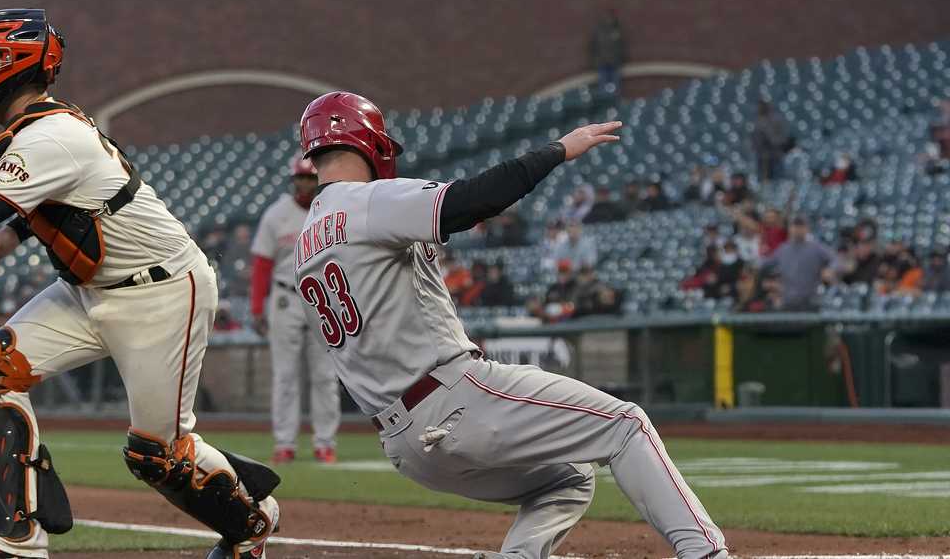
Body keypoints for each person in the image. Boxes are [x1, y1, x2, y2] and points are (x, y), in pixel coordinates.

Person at [0, 9, 280, 559]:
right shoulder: (45, 127)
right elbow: (72, 202)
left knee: (158, 455)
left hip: (162, 292)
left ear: (18, 64)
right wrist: (15, 231)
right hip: (90, 288)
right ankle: (19, 539)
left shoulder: (50, 134)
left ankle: (251, 523)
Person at [293, 92, 727, 559]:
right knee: (626, 424)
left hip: (403, 443)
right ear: (372, 144)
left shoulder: (303, 244)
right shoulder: (367, 201)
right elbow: (473, 199)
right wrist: (558, 150)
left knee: (570, 478)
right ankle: (706, 553)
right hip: (451, 399)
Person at [250, 157, 340, 465]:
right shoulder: (277, 214)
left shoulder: (330, 209)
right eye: (300, 178)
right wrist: (257, 307)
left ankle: (324, 442)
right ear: (293, 180)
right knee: (285, 376)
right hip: (286, 297)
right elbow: (262, 264)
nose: (304, 184)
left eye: (310, 178)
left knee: (325, 376)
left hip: (324, 298)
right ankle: (285, 443)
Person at [760, 217, 835, 311]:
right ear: (790, 228)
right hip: (788, 301)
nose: (798, 229)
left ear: (807, 228)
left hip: (810, 301)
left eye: (801, 226)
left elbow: (835, 260)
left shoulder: (816, 248)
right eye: (795, 226)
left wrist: (830, 269)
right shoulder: (783, 249)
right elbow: (765, 264)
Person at [590, 10, 626, 99]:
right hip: (602, 63)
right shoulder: (598, 32)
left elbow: (622, 46)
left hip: (615, 63)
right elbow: (593, 47)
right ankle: (604, 103)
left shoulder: (617, 31)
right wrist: (596, 60)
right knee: (602, 88)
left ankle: (615, 102)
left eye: (610, 18)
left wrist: (621, 58)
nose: (608, 20)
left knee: (616, 88)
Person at [752, 100, 791, 181]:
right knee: (763, 180)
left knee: (778, 179)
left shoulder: (777, 119)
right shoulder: (758, 120)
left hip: (775, 154)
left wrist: (771, 139)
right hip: (762, 156)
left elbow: (782, 136)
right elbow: (755, 138)